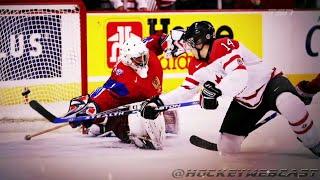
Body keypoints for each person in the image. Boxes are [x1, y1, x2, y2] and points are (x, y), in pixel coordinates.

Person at [140, 21, 320, 156]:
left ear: (202, 41)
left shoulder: (223, 45)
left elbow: (240, 76)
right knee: (227, 148)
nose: (187, 47)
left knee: (289, 103)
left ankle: (314, 141)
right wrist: (159, 103)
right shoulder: (195, 64)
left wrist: (216, 91)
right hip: (245, 101)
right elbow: (185, 90)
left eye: (191, 42)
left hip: (270, 84)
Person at [66, 34, 181, 150]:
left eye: (144, 56)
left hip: (148, 102)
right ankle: (106, 123)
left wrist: (170, 40)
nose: (143, 60)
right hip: (128, 113)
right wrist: (92, 107)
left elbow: (156, 40)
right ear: (128, 59)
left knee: (166, 110)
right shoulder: (124, 77)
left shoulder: (146, 51)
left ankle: (104, 125)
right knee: (132, 129)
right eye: (138, 58)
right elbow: (108, 94)